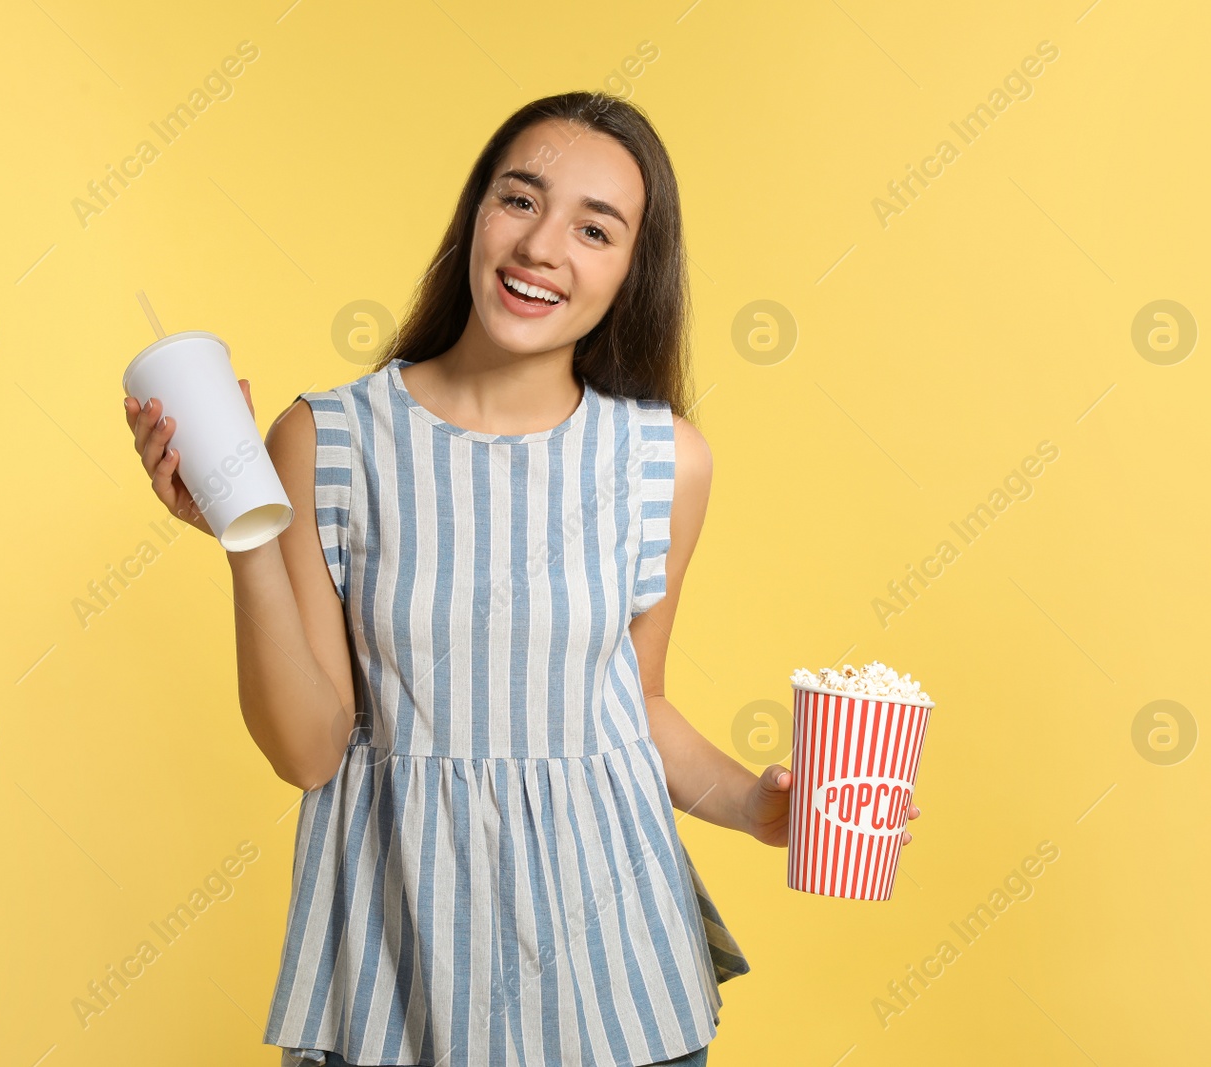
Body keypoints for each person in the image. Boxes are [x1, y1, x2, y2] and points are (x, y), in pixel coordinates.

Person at [124, 90, 920, 1067]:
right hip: (394, 980)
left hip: (619, 982)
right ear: (475, 217)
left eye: (595, 228)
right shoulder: (327, 439)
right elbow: (309, 751)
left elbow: (635, 703)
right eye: (519, 200)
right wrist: (244, 537)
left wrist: (758, 808)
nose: (544, 245)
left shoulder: (663, 459)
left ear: (633, 271)